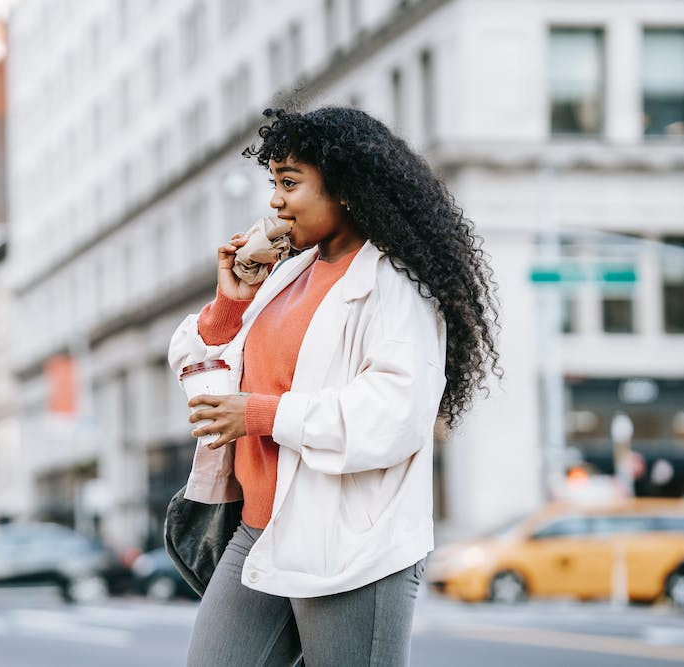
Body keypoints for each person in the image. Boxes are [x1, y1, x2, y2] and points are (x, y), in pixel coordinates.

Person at [168, 107, 501, 666]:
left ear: (344, 188)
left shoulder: (394, 283)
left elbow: (395, 413)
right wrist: (232, 302)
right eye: (272, 183)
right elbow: (211, 392)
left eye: (290, 183)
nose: (274, 200)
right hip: (261, 529)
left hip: (350, 544)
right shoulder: (286, 274)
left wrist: (263, 415)